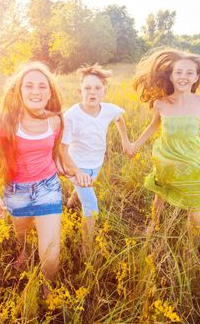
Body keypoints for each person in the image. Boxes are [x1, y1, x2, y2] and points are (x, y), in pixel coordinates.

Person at [0, 62, 90, 299]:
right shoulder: (5, 122)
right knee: (23, 235)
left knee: (50, 255)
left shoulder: (55, 120)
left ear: (50, 92)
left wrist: (76, 171)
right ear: (18, 90)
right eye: (29, 85)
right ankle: (24, 251)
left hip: (47, 188)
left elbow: (59, 152)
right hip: (15, 191)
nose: (36, 91)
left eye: (42, 86)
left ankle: (47, 287)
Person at [131, 49, 200, 241]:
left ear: (196, 77)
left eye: (189, 73)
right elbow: (154, 126)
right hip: (166, 156)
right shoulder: (160, 104)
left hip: (192, 157)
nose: (183, 77)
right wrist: (135, 145)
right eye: (179, 72)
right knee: (159, 194)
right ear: (170, 75)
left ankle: (192, 247)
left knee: (193, 200)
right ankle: (154, 224)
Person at [62, 63, 135, 255]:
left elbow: (119, 119)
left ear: (104, 91)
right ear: (80, 91)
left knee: (84, 188)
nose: (92, 92)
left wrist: (126, 142)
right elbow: (62, 149)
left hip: (96, 163)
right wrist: (77, 172)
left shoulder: (109, 110)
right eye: (87, 88)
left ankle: (70, 204)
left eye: (97, 88)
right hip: (75, 165)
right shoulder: (71, 116)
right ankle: (87, 248)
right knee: (91, 206)